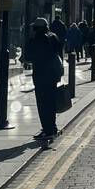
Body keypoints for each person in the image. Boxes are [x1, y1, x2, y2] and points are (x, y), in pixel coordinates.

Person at [21, 17, 64, 147]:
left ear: (37, 28)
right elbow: (59, 53)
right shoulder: (53, 37)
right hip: (53, 75)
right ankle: (52, 127)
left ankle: (47, 130)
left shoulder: (36, 40)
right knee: (51, 102)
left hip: (41, 75)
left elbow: (27, 57)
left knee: (42, 103)